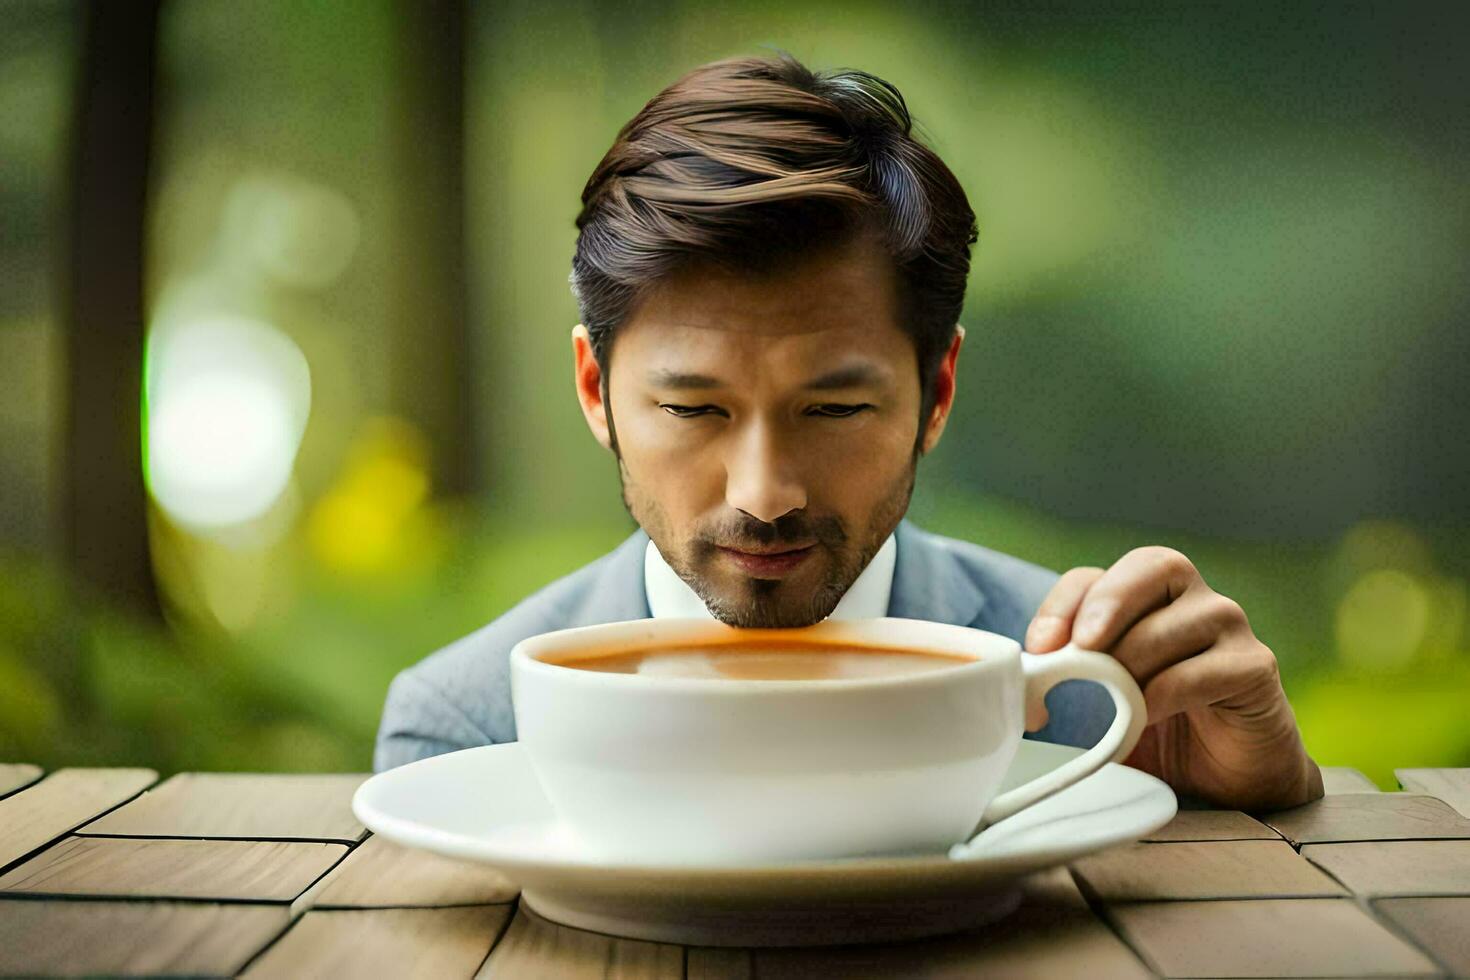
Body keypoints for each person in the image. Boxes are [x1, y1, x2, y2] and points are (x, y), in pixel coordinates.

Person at [374, 53, 1323, 811]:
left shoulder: (1095, 701)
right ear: (595, 388)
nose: (764, 493)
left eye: (832, 409)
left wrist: (1266, 806)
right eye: (694, 409)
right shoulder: (466, 727)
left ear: (937, 389)